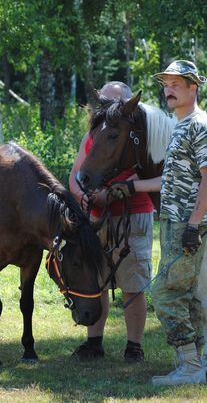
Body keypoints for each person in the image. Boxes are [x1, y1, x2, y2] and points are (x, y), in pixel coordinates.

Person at [109, 60, 207, 385]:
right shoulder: (180, 124)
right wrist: (131, 187)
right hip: (173, 219)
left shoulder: (199, 124)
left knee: (166, 293)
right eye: (166, 85)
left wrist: (192, 225)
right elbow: (170, 180)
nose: (169, 90)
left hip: (188, 223)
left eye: (176, 84)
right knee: (187, 294)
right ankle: (195, 363)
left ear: (192, 87)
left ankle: (189, 366)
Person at [68, 81, 154, 363]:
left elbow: (147, 173)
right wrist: (82, 197)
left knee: (133, 280)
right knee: (97, 279)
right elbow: (76, 173)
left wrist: (112, 192)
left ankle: (134, 346)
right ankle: (94, 342)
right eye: (102, 102)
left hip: (133, 213)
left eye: (110, 103)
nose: (104, 108)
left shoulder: (142, 134)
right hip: (97, 217)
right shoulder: (94, 132)